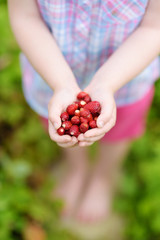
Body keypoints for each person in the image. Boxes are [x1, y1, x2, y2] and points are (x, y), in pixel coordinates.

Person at [8, 0, 160, 223]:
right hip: (51, 75)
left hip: (127, 79)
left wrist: (106, 83)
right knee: (67, 132)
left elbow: (154, 27)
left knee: (119, 133)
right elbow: (25, 16)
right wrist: (61, 83)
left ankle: (103, 176)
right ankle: (76, 168)